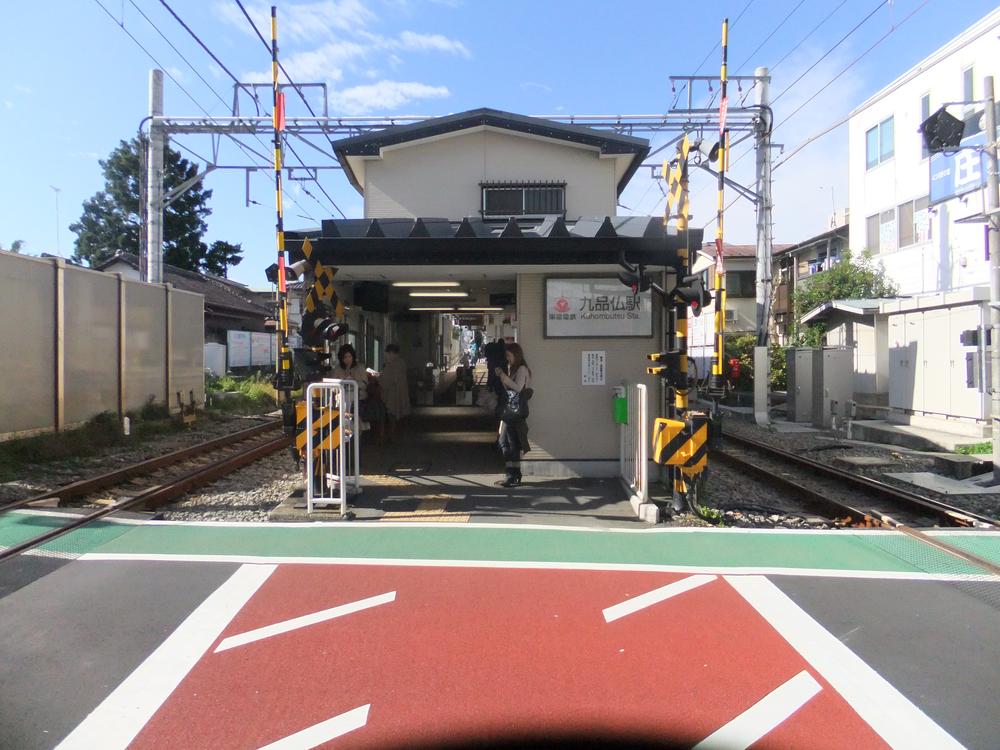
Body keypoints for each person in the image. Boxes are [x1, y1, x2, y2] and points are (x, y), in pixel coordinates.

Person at [494, 342, 532, 488]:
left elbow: (517, 388)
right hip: (511, 411)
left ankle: (511, 474)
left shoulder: (522, 369)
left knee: (509, 443)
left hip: (514, 411)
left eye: (509, 355)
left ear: (516, 355)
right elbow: (509, 388)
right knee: (508, 443)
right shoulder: (514, 369)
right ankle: (514, 473)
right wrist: (503, 376)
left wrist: (503, 376)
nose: (507, 358)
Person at [331, 343, 371, 428]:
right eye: (345, 357)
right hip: (342, 394)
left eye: (349, 356)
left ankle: (354, 426)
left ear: (353, 356)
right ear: (341, 358)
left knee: (350, 403)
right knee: (342, 400)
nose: (347, 359)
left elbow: (365, 384)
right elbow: (333, 385)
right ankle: (345, 425)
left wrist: (354, 381)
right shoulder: (338, 369)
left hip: (358, 395)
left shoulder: (360, 367)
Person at [378, 344, 411, 438]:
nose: (386, 356)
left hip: (393, 392)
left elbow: (386, 380)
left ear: (392, 353)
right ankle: (394, 433)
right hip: (398, 391)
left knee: (392, 411)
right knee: (395, 412)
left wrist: (379, 377)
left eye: (387, 354)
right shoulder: (401, 363)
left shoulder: (393, 364)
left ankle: (392, 434)